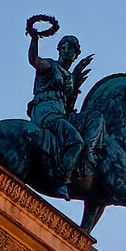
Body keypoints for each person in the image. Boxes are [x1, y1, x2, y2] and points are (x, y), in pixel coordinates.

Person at [24, 15, 93, 191]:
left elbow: (69, 103)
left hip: (61, 113)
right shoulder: (50, 66)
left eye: (70, 49)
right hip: (46, 110)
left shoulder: (69, 78)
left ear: (76, 54)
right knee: (76, 141)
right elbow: (34, 60)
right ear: (59, 50)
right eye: (63, 47)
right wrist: (34, 38)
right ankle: (61, 179)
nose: (66, 51)